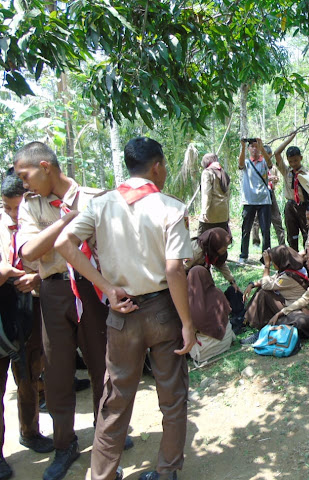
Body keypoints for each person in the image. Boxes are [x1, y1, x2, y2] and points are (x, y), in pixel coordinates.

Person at [55, 137, 196, 480]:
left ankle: (103, 474)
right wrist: (187, 324)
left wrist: (106, 288)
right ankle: (167, 473)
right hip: (163, 309)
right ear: (157, 166)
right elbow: (175, 269)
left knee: (116, 398)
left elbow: (64, 244)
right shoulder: (170, 207)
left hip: (122, 312)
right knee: (172, 397)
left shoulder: (101, 205)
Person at [13, 141, 110, 480]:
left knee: (101, 364)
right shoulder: (31, 207)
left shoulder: (94, 198)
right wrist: (67, 220)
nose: (24, 185)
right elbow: (28, 252)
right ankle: (64, 443)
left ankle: (105, 434)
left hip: (90, 287)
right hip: (53, 289)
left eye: (25, 176)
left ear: (45, 167)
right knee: (56, 372)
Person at [0, 172, 53, 480]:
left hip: (31, 304)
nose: (12, 215)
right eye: (7, 208)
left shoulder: (39, 216)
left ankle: (29, 431)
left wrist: (36, 276)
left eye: (17, 208)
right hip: (3, 308)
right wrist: (10, 272)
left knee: (30, 374)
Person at [243, 245, 309, 330]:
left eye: (273, 261)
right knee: (262, 289)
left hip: (293, 308)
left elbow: (266, 284)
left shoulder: (289, 276)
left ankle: (253, 322)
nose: (272, 263)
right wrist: (252, 284)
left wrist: (267, 265)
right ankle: (247, 318)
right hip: (288, 303)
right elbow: (271, 279)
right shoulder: (292, 268)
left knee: (263, 292)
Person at [273, 133, 309, 251]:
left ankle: (308, 259)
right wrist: (290, 139)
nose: (293, 164)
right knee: (292, 236)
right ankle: (294, 259)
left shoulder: (307, 174)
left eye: (296, 160)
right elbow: (276, 153)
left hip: (304, 207)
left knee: (307, 234)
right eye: (290, 161)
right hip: (291, 206)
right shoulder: (286, 171)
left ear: (301, 158)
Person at [238, 137, 272, 263]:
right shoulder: (247, 162)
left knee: (265, 230)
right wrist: (242, 147)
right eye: (251, 146)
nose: (254, 149)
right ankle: (243, 255)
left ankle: (266, 258)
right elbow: (240, 165)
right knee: (246, 229)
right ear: (248, 149)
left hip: (264, 200)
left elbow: (270, 164)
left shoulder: (264, 162)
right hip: (249, 200)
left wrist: (262, 146)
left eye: (256, 146)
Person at [186, 227, 239, 292]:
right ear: (215, 244)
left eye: (227, 246)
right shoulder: (195, 252)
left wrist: (232, 282)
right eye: (224, 246)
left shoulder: (213, 249)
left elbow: (221, 264)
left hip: (202, 274)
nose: (225, 249)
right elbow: (181, 270)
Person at [197, 153, 230, 236]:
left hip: (210, 215)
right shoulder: (224, 173)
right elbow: (228, 196)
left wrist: (204, 211)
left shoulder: (207, 173)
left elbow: (206, 194)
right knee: (221, 244)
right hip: (223, 214)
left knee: (202, 242)